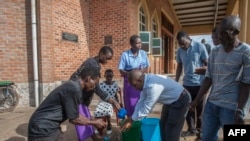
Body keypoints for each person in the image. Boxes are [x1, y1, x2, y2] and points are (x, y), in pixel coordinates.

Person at [190, 15, 250, 141]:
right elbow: (208, 78)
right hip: (212, 105)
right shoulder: (215, 51)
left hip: (232, 108)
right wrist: (196, 100)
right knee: (207, 137)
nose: (219, 36)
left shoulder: (246, 51)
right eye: (218, 33)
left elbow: (246, 83)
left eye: (223, 33)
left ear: (236, 32)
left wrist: (241, 110)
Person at [28, 66, 107, 141]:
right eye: (95, 83)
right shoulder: (74, 89)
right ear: (88, 79)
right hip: (41, 129)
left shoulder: (74, 86)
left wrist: (93, 121)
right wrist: (94, 122)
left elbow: (75, 114)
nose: (94, 87)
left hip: (51, 127)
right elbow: (74, 119)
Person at [120, 70, 191, 141]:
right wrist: (131, 118)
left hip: (181, 99)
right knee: (162, 125)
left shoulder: (152, 86)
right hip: (170, 101)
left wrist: (132, 119)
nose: (135, 89)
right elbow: (140, 102)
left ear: (140, 80)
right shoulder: (145, 83)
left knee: (171, 129)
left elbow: (146, 109)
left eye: (135, 85)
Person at [175, 31, 209, 137]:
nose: (183, 46)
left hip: (200, 84)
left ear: (188, 38)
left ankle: (200, 130)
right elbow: (179, 66)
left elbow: (207, 64)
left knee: (200, 109)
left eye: (184, 43)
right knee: (188, 108)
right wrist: (176, 82)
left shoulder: (200, 46)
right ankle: (191, 129)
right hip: (187, 84)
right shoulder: (180, 51)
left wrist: (208, 81)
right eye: (180, 44)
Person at [70, 45, 121, 111]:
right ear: (101, 53)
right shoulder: (93, 65)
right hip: (80, 96)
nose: (106, 62)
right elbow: (95, 87)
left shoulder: (91, 61)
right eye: (106, 59)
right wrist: (110, 99)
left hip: (80, 96)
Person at [118, 34, 150, 117]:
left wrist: (138, 73)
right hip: (129, 82)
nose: (140, 45)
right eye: (137, 43)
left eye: (140, 42)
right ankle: (131, 120)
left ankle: (141, 118)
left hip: (141, 81)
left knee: (141, 100)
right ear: (131, 44)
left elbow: (147, 67)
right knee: (130, 102)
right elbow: (121, 70)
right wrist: (132, 74)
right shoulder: (125, 55)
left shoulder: (143, 53)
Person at [98, 69, 122, 134]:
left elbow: (116, 95)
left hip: (113, 102)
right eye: (107, 77)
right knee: (98, 111)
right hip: (104, 101)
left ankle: (109, 124)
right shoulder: (101, 85)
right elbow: (101, 96)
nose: (109, 78)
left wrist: (118, 102)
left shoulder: (115, 84)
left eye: (110, 77)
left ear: (113, 76)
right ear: (104, 76)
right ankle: (100, 125)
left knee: (109, 109)